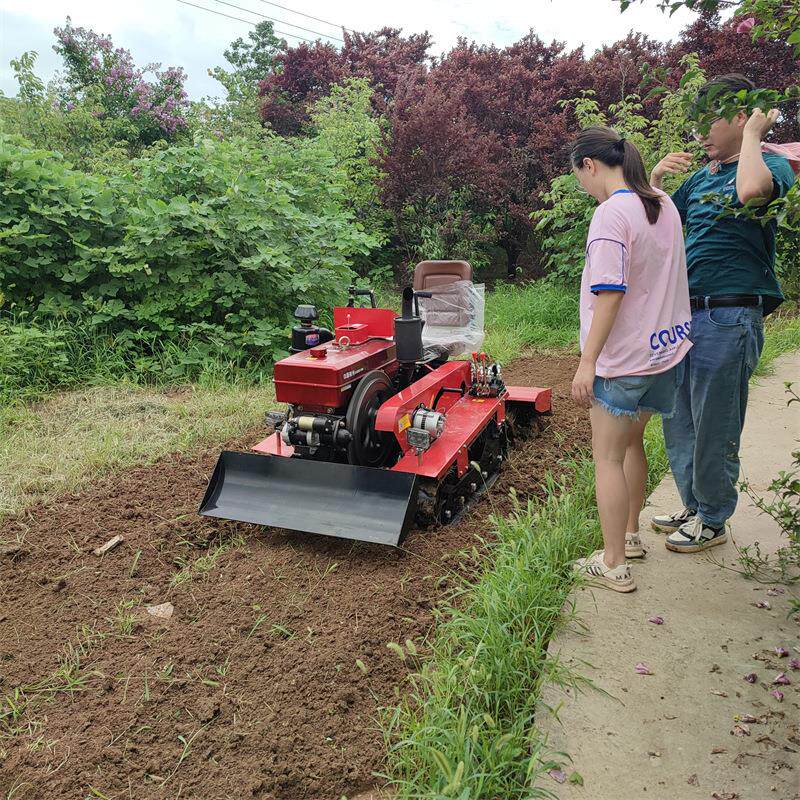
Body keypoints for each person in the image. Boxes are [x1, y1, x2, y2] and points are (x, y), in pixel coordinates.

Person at [649, 74, 796, 553]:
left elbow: (754, 191)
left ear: (740, 117)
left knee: (715, 422)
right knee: (679, 418)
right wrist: (653, 182)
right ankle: (695, 504)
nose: (700, 133)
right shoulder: (698, 179)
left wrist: (755, 135)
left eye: (709, 121)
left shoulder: (769, 164)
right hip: (686, 315)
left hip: (730, 316)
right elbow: (661, 233)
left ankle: (713, 517)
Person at [570, 126, 692, 592]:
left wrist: (588, 361)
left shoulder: (609, 216)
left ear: (590, 165)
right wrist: (656, 176)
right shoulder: (662, 204)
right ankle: (633, 535)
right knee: (633, 446)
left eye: (578, 175)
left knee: (607, 458)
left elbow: (610, 292)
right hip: (665, 355)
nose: (581, 185)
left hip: (623, 362)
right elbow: (649, 199)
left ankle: (614, 563)